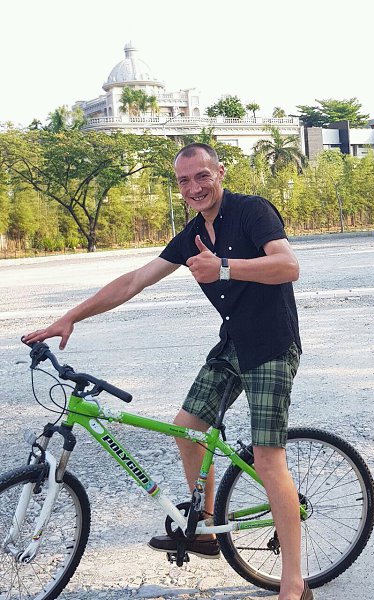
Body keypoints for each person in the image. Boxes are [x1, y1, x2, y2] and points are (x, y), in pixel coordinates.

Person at [23, 143, 312, 600]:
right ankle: (207, 528)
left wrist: (223, 268)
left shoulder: (251, 211)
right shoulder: (193, 233)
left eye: (202, 176)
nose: (195, 187)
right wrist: (71, 317)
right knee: (187, 428)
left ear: (220, 173)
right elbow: (134, 281)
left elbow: (288, 265)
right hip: (234, 344)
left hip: (272, 346)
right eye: (184, 180)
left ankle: (293, 584)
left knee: (267, 458)